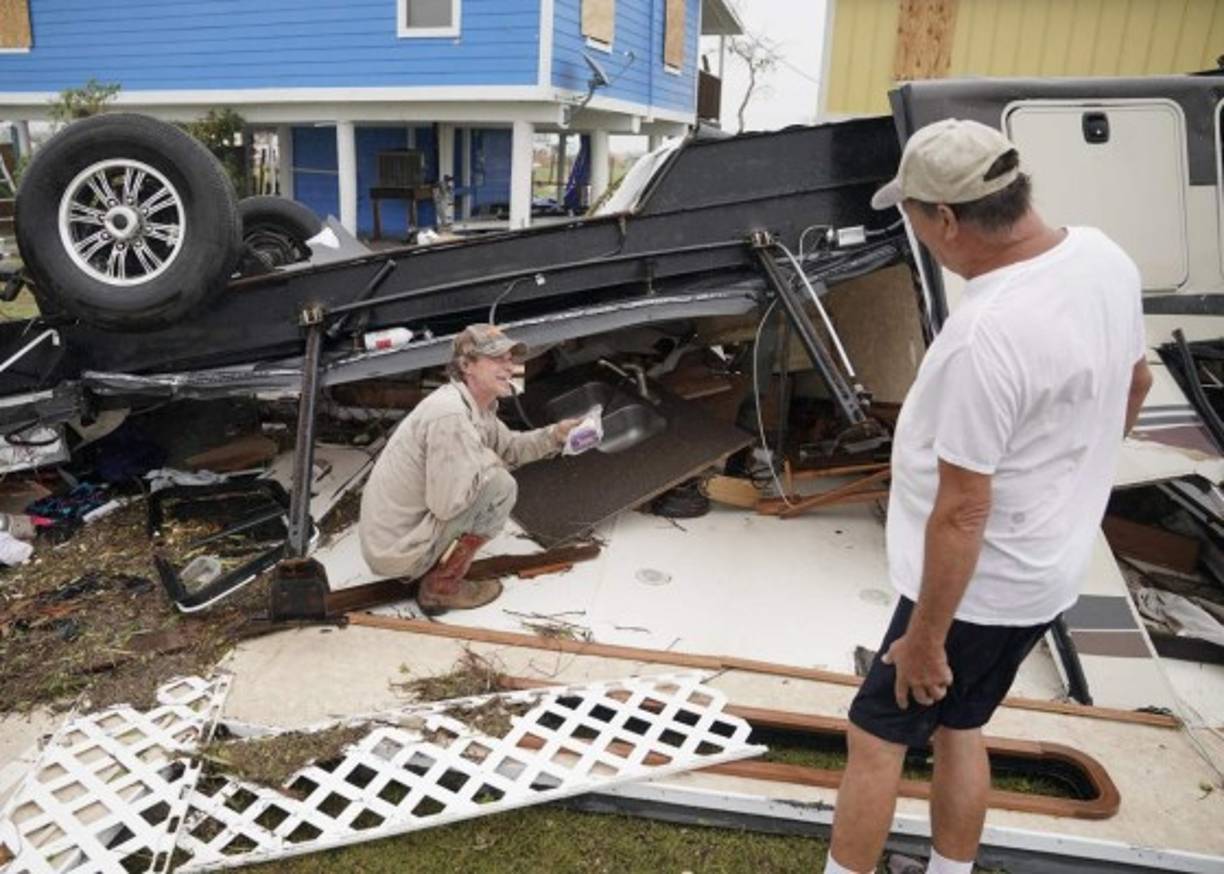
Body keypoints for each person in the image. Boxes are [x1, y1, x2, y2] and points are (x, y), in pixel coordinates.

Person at [825, 119, 1152, 874]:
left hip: (974, 588)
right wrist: (1075, 473)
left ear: (944, 219)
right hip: (1048, 571)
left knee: (875, 741)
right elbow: (1133, 383)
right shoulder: (1104, 257)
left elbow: (964, 508)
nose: (916, 234)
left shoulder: (987, 334)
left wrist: (926, 639)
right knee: (962, 723)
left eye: (911, 218)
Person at [358, 324, 579, 615]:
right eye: (497, 359)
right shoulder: (450, 415)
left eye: (511, 359)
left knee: (493, 475)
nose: (509, 366)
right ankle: (440, 589)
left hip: (398, 539)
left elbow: (510, 447)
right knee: (500, 487)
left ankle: (435, 569)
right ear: (466, 365)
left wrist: (556, 436)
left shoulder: (477, 406)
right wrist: (487, 461)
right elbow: (448, 506)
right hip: (397, 551)